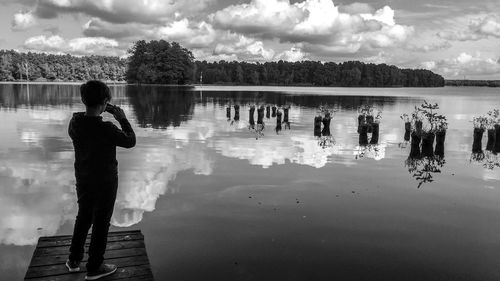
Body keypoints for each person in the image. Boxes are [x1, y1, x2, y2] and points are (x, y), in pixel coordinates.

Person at [66, 80, 136, 280]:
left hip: (83, 179)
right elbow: (130, 141)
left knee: (84, 217)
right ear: (106, 102)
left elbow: (86, 120)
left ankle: (74, 260)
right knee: (101, 222)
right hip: (105, 182)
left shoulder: (75, 123)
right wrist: (122, 119)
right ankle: (95, 267)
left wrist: (100, 109)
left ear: (83, 100)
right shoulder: (107, 129)